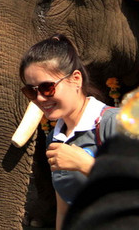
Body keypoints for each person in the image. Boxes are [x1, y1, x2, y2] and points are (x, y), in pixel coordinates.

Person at [19, 34, 120, 229]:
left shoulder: (113, 123)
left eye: (47, 87)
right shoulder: (55, 138)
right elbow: (64, 205)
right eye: (31, 91)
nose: (39, 98)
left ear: (76, 79)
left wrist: (87, 165)